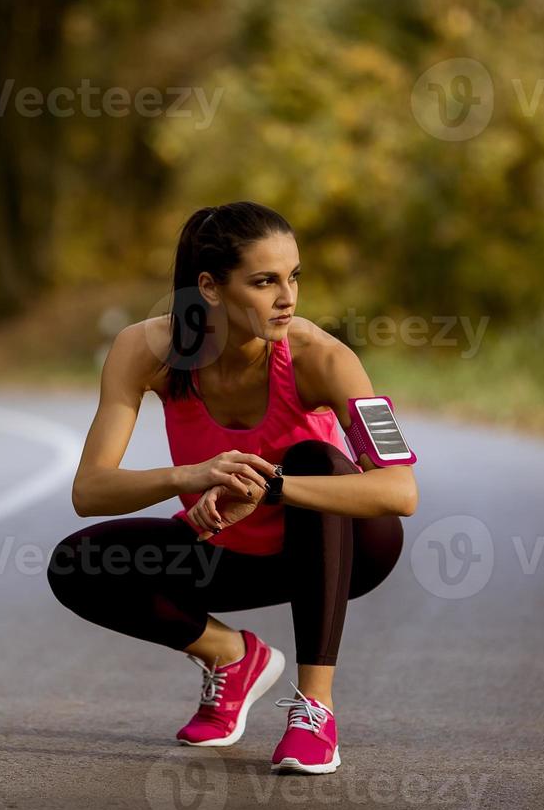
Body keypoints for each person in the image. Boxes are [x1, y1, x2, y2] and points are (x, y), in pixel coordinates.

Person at [47, 202, 419, 774]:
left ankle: (315, 708)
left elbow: (400, 492)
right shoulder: (142, 351)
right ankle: (232, 658)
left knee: (317, 457)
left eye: (294, 276)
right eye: (265, 281)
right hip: (230, 553)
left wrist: (274, 488)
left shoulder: (326, 358)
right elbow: (89, 491)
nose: (287, 297)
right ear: (210, 288)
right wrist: (189, 477)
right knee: (77, 564)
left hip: (342, 549)